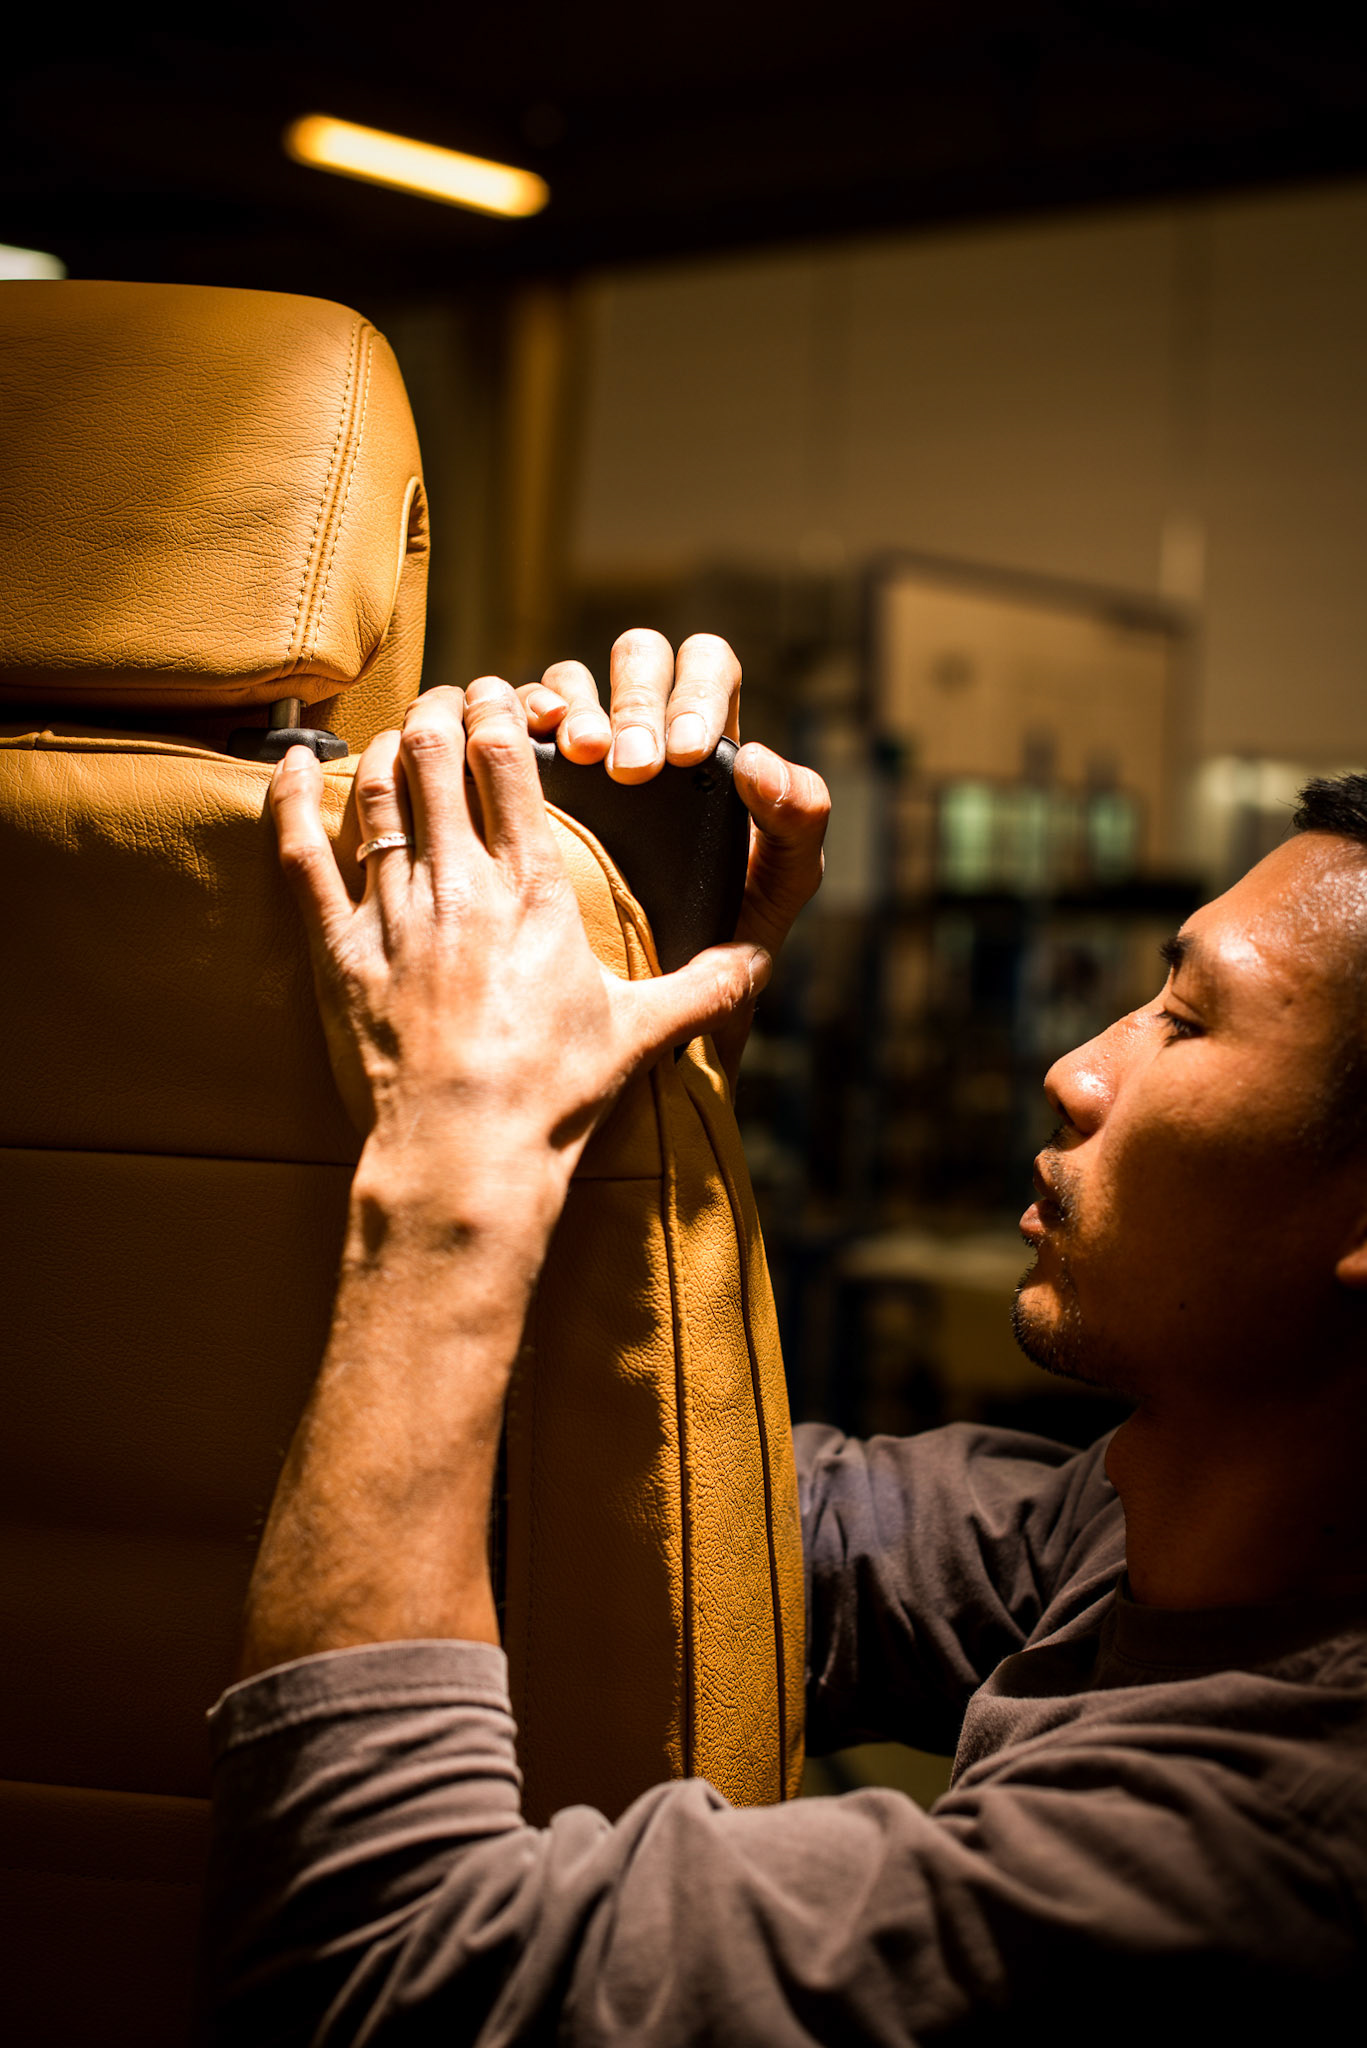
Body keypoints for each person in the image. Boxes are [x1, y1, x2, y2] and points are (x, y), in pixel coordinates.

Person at [204, 632, 1367, 2044]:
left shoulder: (1259, 1850)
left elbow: (379, 1972)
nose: (1077, 1072)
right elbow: (687, 1523)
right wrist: (642, 1092)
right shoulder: (1145, 1537)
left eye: (1186, 1022)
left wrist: (453, 1169)